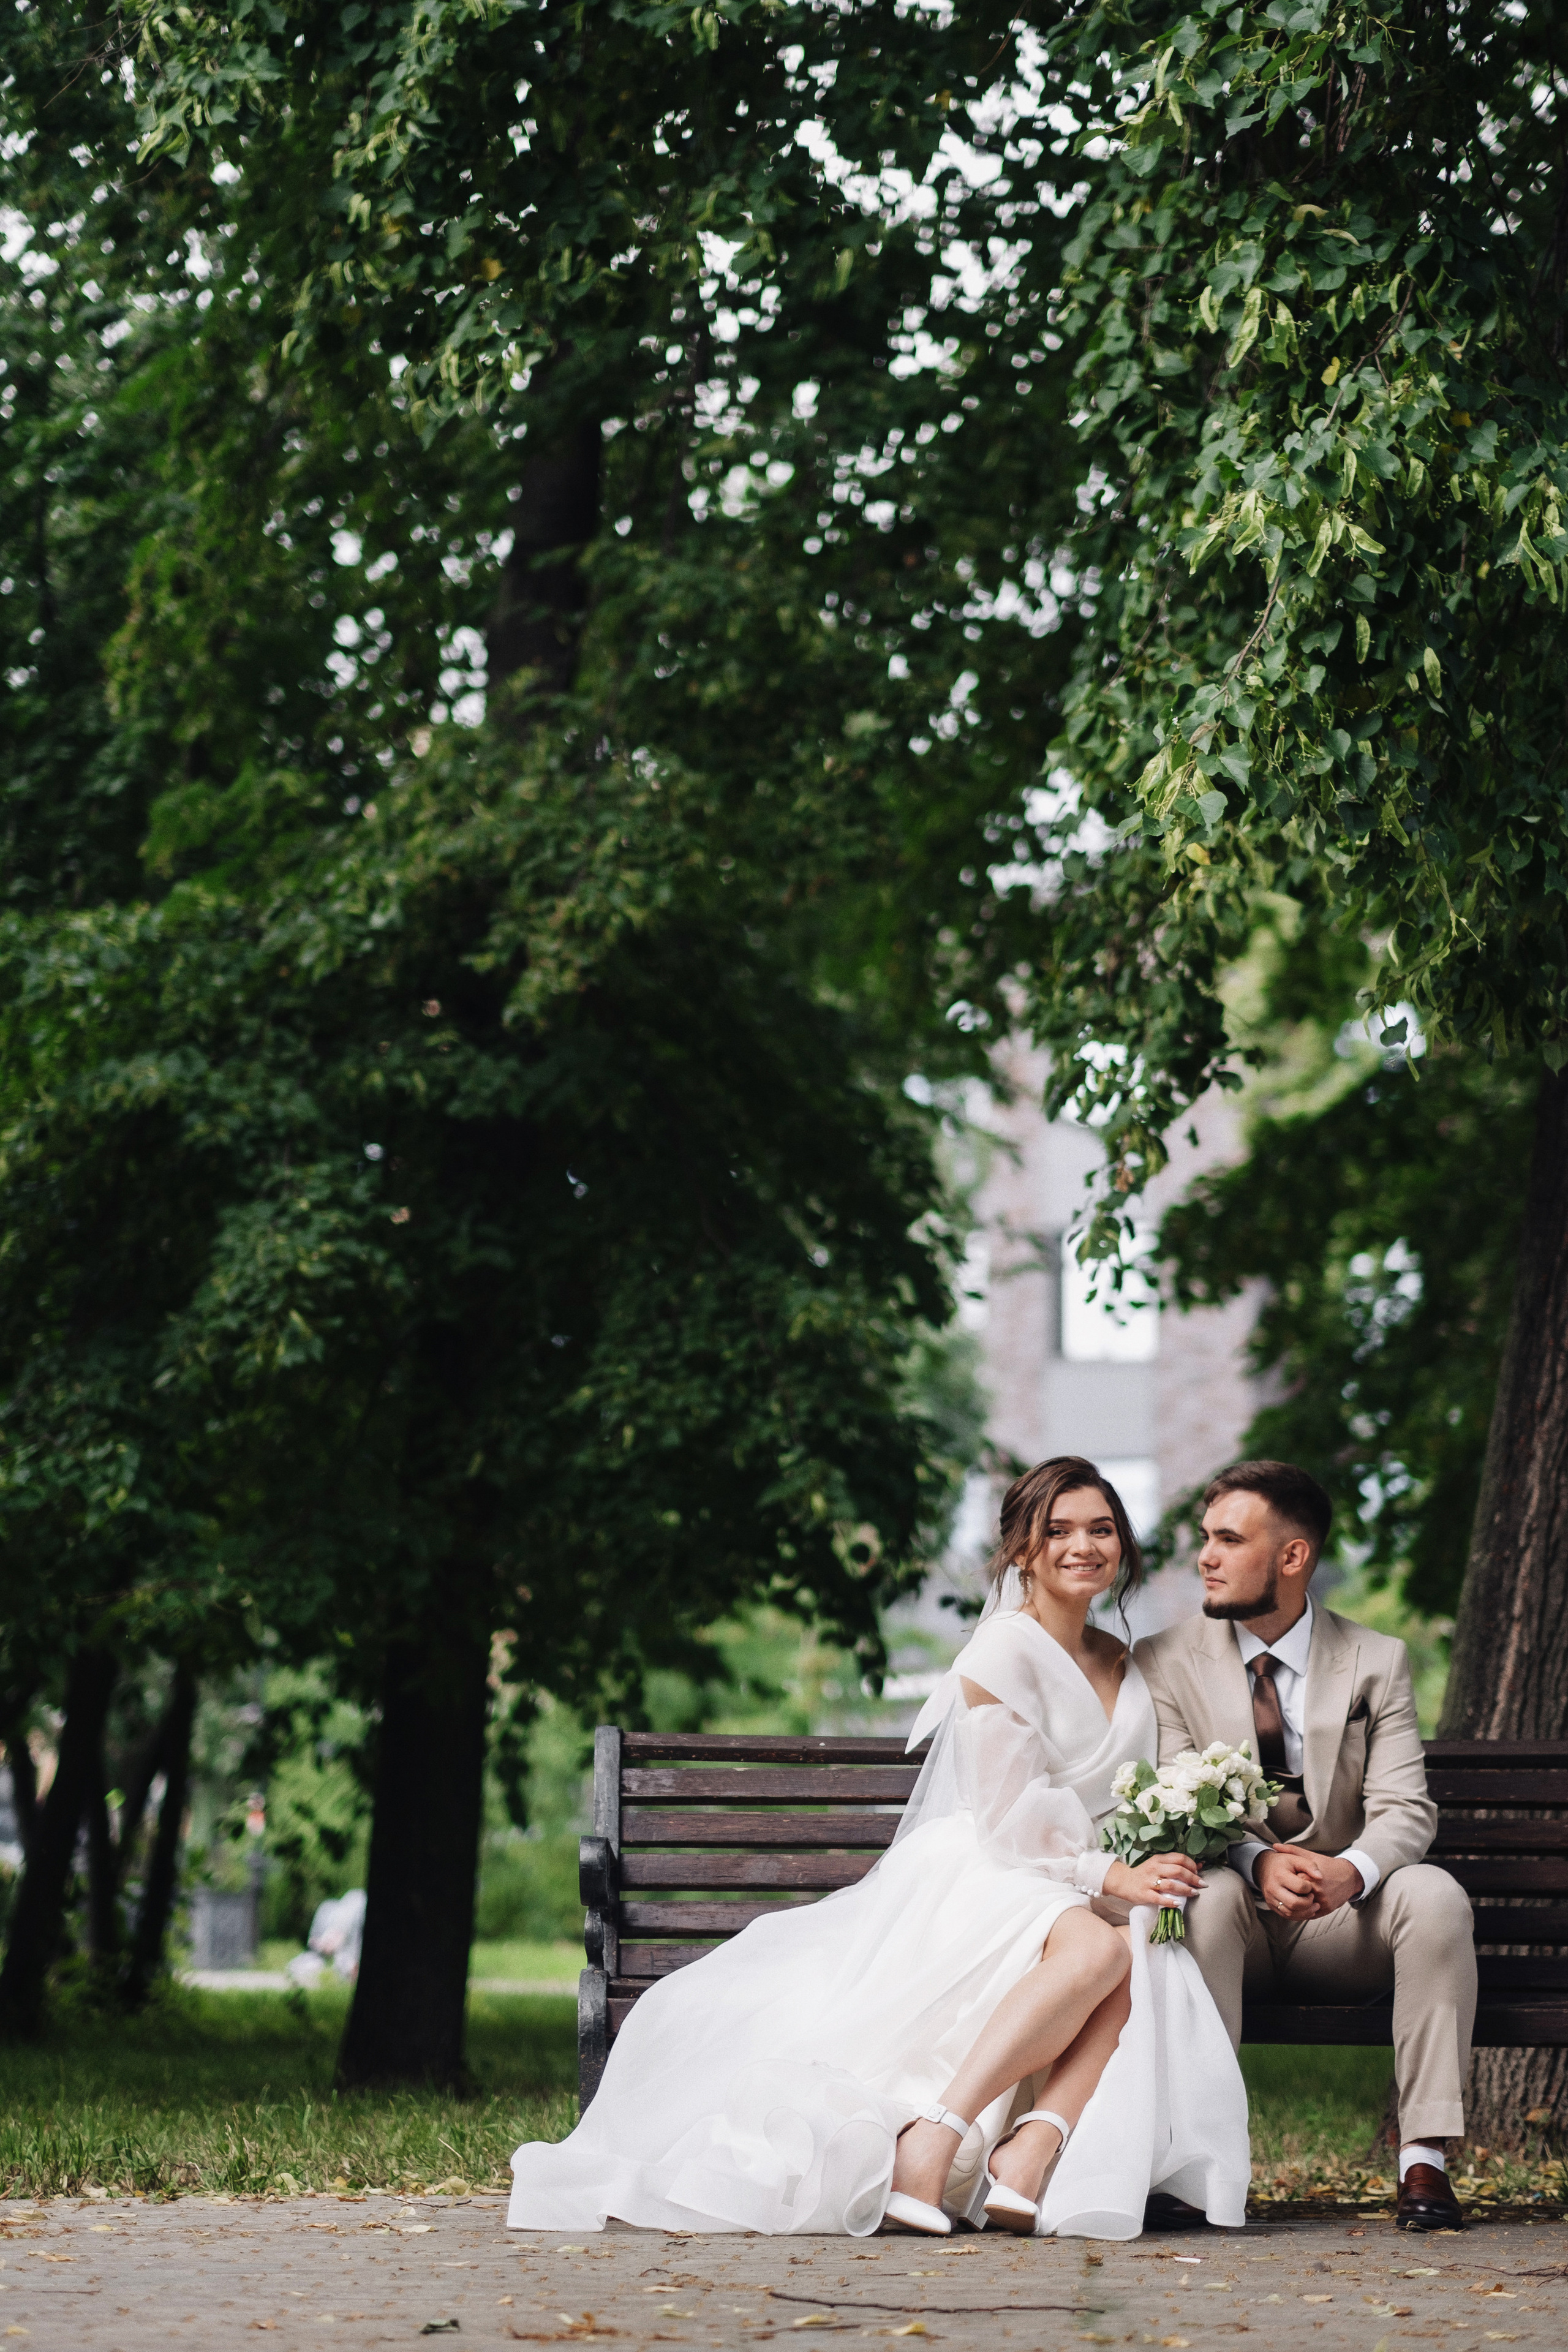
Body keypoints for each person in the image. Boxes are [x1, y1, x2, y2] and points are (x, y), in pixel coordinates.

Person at [507, 1456, 1250, 2239]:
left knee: (1141, 1948)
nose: (1082, 1546)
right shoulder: (1000, 1652)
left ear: (1123, 1546)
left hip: (1091, 1877)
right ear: (1021, 1550)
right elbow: (1008, 1816)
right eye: (1057, 1530)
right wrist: (1110, 1875)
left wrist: (1159, 1848)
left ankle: (1031, 2150)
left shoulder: (1122, 1659)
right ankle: (939, 2134)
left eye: (1101, 1529)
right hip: (998, 1868)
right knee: (1101, 1955)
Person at [1134, 1459, 1477, 2233]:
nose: (1205, 1557)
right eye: (1205, 1538)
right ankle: (1200, 2161)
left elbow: (1405, 1810)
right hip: (1237, 1920)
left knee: (1434, 1894)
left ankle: (1424, 2157)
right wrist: (1256, 1858)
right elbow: (1170, 1804)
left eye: (1229, 1539)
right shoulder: (1163, 1661)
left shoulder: (1376, 1661)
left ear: (1292, 1557)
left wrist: (1349, 1872)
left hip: (1339, 1925)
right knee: (1205, 1893)